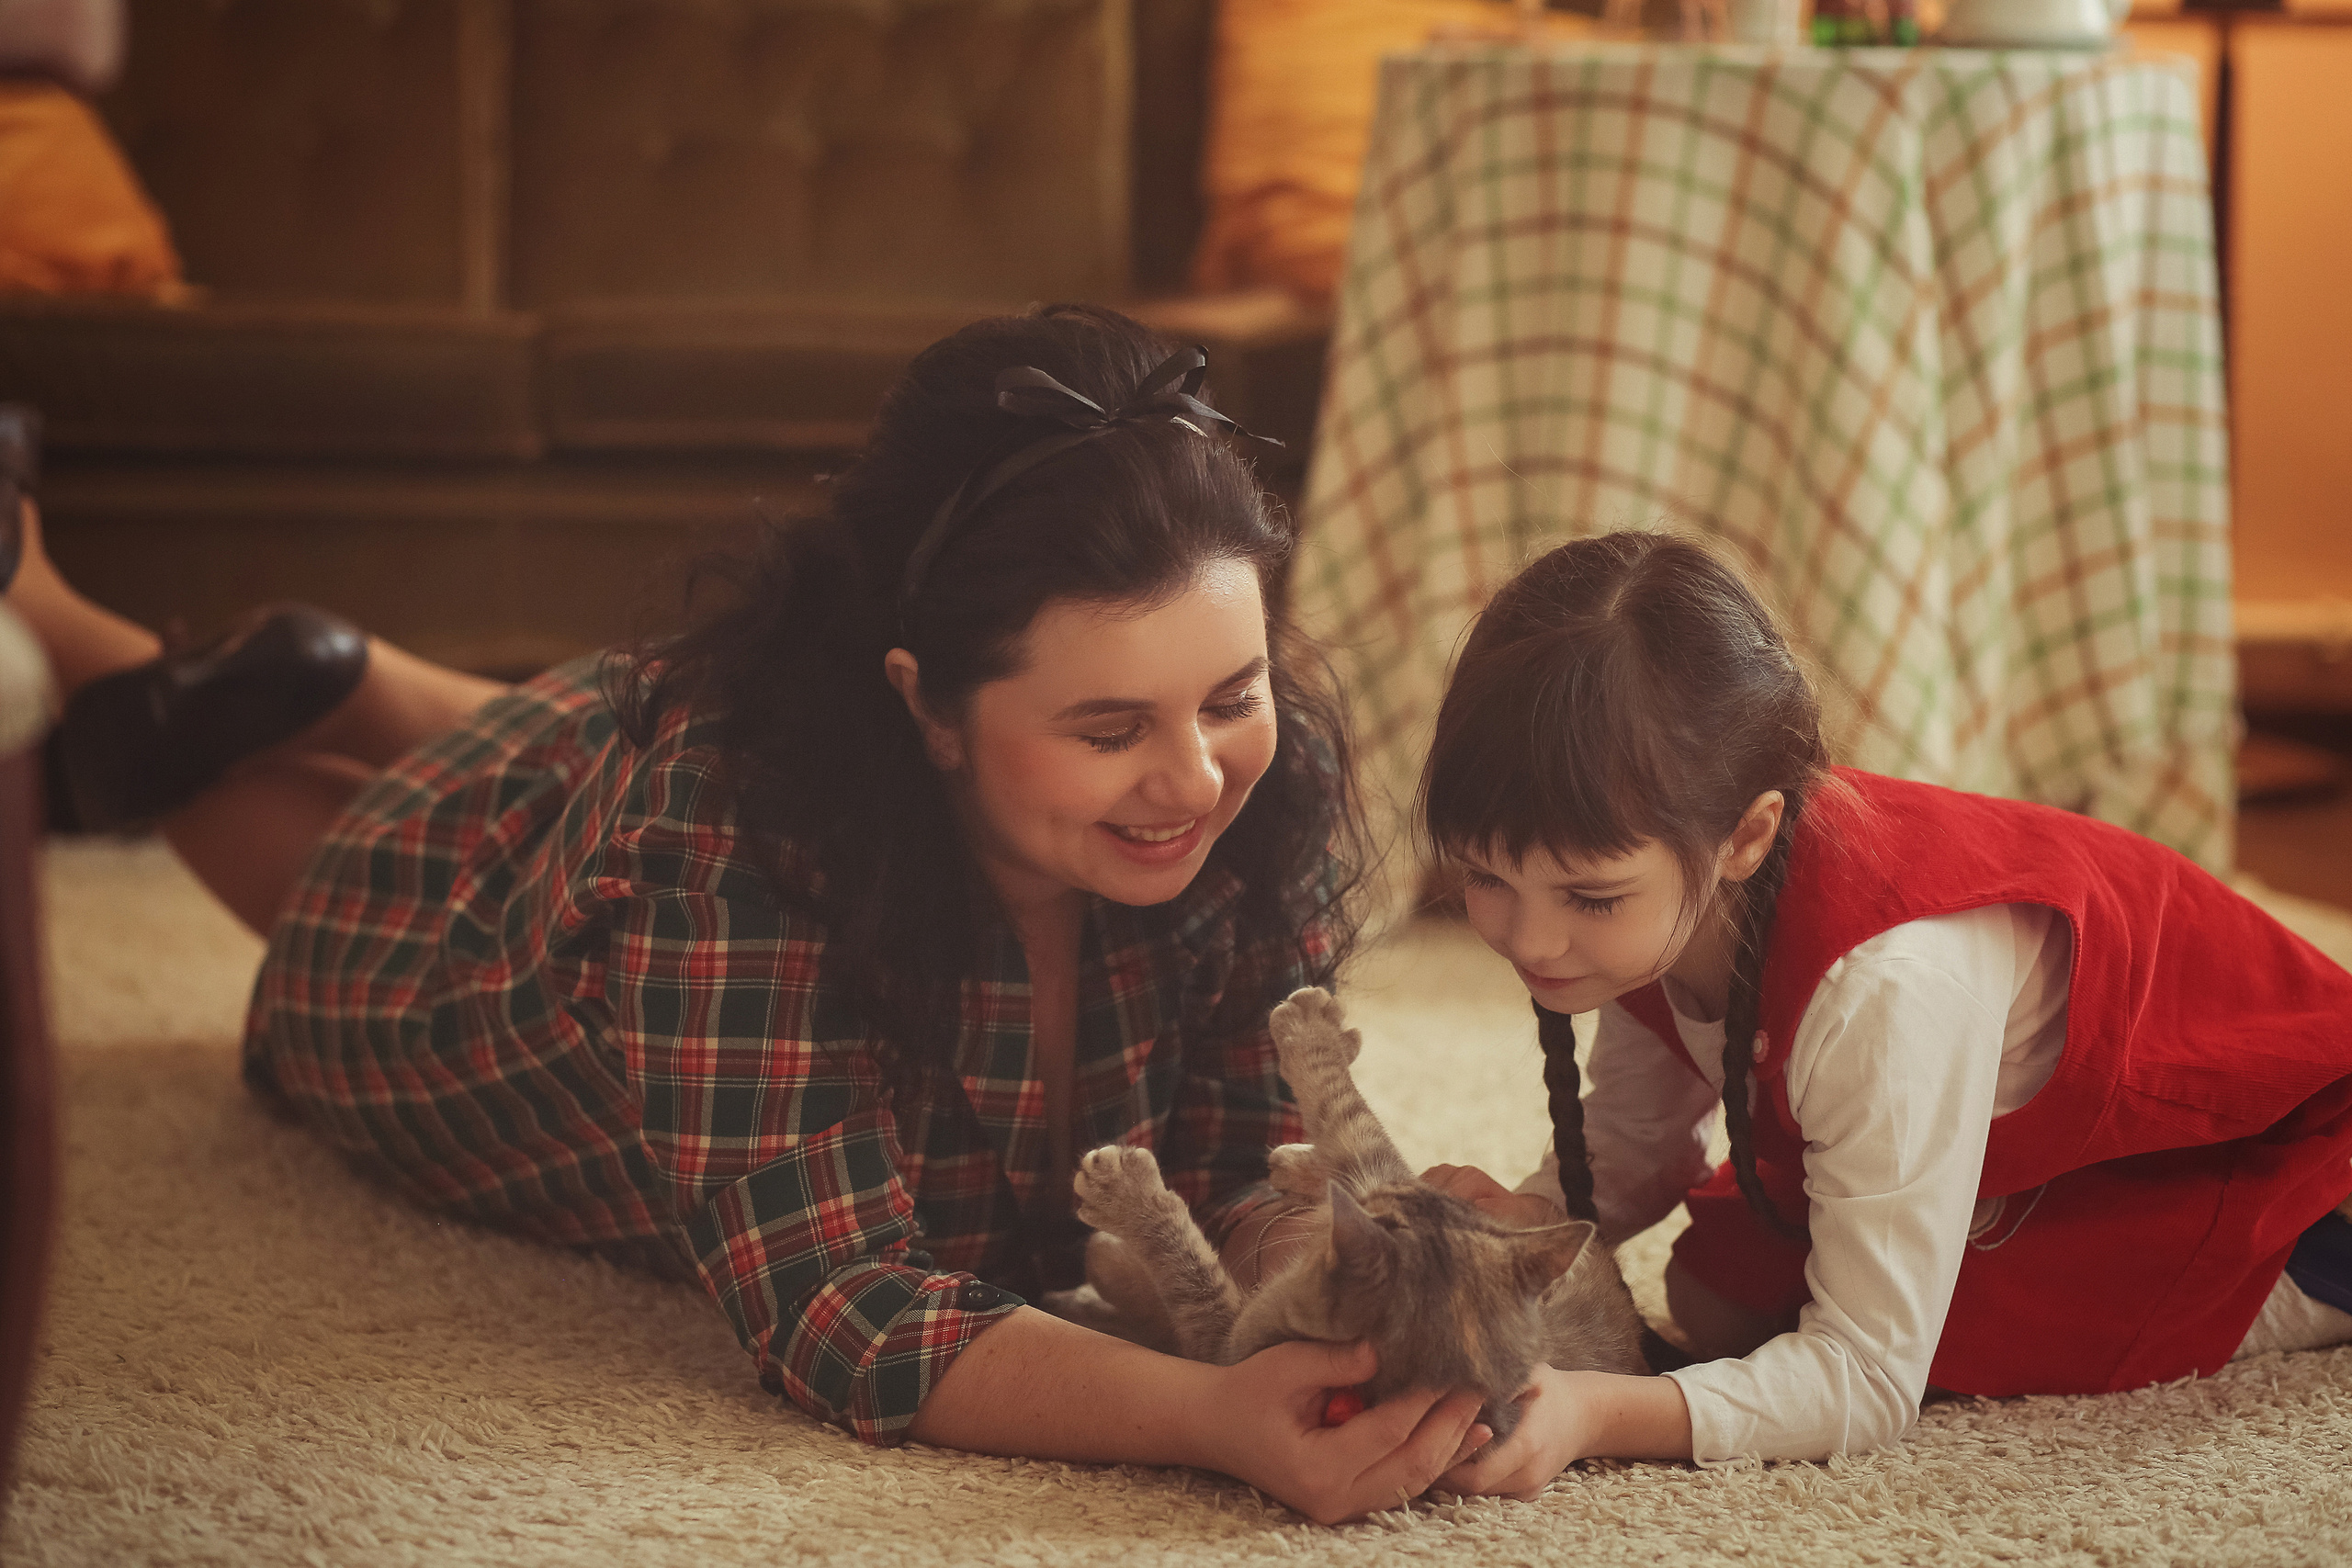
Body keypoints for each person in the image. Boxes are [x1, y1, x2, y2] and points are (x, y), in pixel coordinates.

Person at [0, 307, 1498, 1524]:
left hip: (643, 757)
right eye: (1110, 726)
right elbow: (833, 1295)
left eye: (1229, 694)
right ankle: (54, 611)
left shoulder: (1263, 778)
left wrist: (1368, 1270)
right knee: (342, 905)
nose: (1196, 773)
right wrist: (1204, 1418)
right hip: (480, 973)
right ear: (925, 705)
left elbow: (1241, 1150)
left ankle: (349, 676)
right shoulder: (730, 833)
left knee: (627, 734)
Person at [1410, 531, 2352, 1496]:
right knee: (1717, 1287)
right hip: (2045, 1147)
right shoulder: (1670, 889)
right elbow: (1633, 1139)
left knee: (1781, 1327)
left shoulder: (1883, 993)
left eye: (1589, 898)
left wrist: (1593, 1411)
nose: (1529, 941)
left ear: (1746, 836)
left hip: (2290, 1160)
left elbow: (1866, 1378)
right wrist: (1523, 1225)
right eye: (1485, 877)